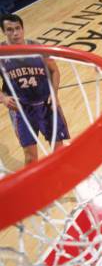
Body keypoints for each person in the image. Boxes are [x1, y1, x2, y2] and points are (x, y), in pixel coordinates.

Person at [0, 13, 70, 165]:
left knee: (58, 148)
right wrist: (3, 98)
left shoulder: (38, 48)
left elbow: (54, 71)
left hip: (46, 104)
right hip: (21, 109)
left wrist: (54, 93)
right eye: (10, 30)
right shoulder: (1, 54)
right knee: (31, 156)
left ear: (23, 29)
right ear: (3, 32)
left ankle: (59, 179)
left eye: (18, 28)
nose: (15, 33)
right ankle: (35, 187)